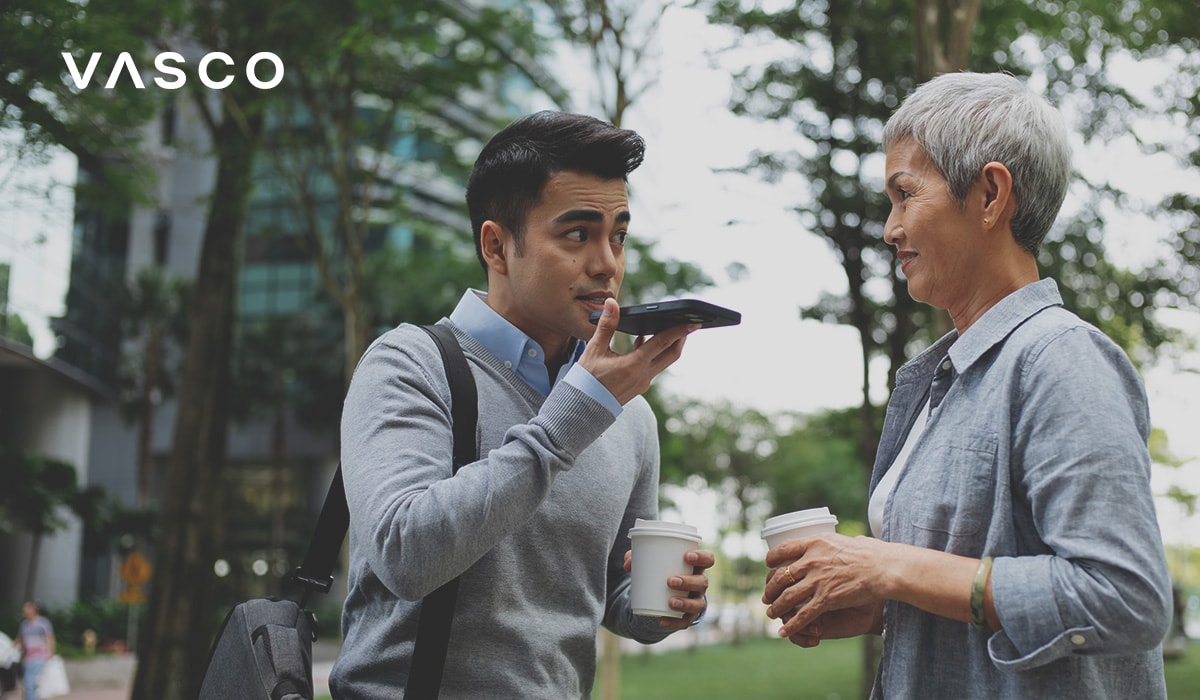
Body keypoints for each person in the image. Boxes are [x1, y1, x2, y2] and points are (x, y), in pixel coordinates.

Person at [761, 72, 1172, 698]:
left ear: (989, 194)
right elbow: (962, 583)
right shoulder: (940, 380)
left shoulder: (1061, 361)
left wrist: (891, 567)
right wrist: (880, 601)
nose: (890, 229)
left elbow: (1124, 598)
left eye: (905, 195)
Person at [329, 110, 716, 698]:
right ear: (497, 244)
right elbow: (404, 556)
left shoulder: (628, 414)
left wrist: (662, 608)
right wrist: (574, 415)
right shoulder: (409, 363)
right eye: (577, 234)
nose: (607, 264)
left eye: (618, 235)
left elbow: (608, 590)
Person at [14, 602, 54, 700]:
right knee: (31, 684)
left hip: (39, 657)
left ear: (34, 610)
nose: (24, 611)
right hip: (27, 658)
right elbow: (20, 639)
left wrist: (50, 653)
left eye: (27, 609)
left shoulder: (43, 623)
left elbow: (49, 638)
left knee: (29, 682)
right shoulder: (24, 625)